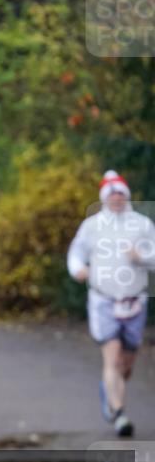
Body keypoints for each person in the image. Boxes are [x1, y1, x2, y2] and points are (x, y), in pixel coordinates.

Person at [67, 170, 155, 437]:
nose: (116, 199)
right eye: (112, 194)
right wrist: (78, 269)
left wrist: (141, 256)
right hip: (103, 300)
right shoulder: (92, 226)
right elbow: (76, 252)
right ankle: (119, 413)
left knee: (126, 364)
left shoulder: (142, 224)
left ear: (126, 197)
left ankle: (110, 389)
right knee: (113, 357)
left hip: (134, 301)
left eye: (121, 194)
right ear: (104, 198)